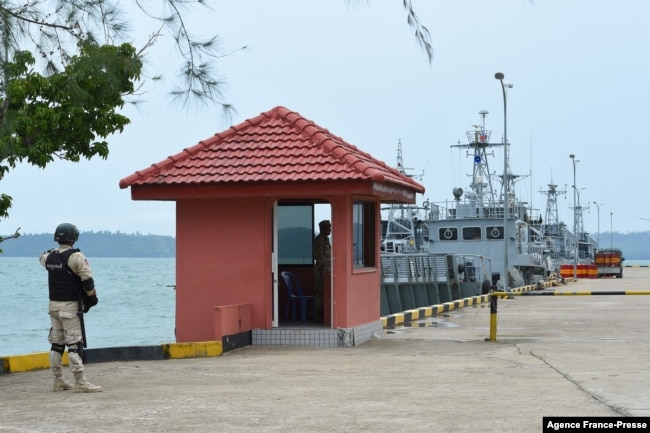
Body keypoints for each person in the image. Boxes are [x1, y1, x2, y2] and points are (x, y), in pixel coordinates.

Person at [39, 223, 102, 393]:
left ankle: (58, 380)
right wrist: (92, 297)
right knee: (74, 344)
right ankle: (80, 382)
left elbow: (43, 255)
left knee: (57, 344)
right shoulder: (76, 257)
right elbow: (87, 280)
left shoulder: (48, 258)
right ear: (74, 237)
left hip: (53, 306)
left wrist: (55, 249)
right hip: (70, 307)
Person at [312, 220, 331, 323]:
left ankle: (323, 316)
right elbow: (320, 257)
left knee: (325, 294)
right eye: (328, 227)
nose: (330, 230)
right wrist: (326, 269)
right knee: (320, 294)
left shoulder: (326, 240)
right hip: (321, 272)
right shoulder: (319, 241)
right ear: (323, 228)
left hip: (326, 271)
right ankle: (318, 317)